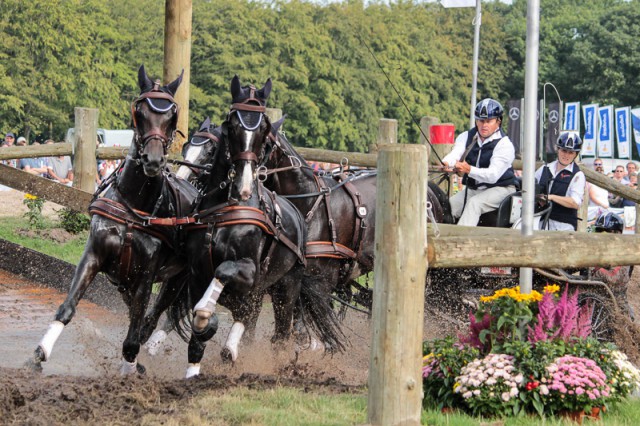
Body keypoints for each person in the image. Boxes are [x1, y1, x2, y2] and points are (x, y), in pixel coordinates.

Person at [441, 98, 516, 226]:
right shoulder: (466, 136)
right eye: (481, 121)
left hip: (501, 189)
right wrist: (447, 163)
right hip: (475, 189)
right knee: (447, 207)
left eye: (489, 121)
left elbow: (492, 175)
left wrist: (469, 170)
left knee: (474, 203)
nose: (484, 125)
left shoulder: (505, 145)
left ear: (498, 121)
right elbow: (456, 153)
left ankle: (461, 241)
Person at [534, 131, 585, 231]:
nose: (566, 155)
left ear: (576, 154)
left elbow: (575, 202)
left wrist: (551, 197)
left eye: (571, 152)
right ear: (558, 149)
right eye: (564, 151)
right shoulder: (545, 168)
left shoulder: (577, 175)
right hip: (541, 221)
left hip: (564, 226)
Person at [590, 212, 634, 320]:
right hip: (593, 303)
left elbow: (613, 278)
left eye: (604, 232)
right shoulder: (595, 251)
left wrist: (592, 268)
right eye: (599, 231)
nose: (600, 235)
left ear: (617, 233)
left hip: (617, 310)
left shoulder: (625, 254)